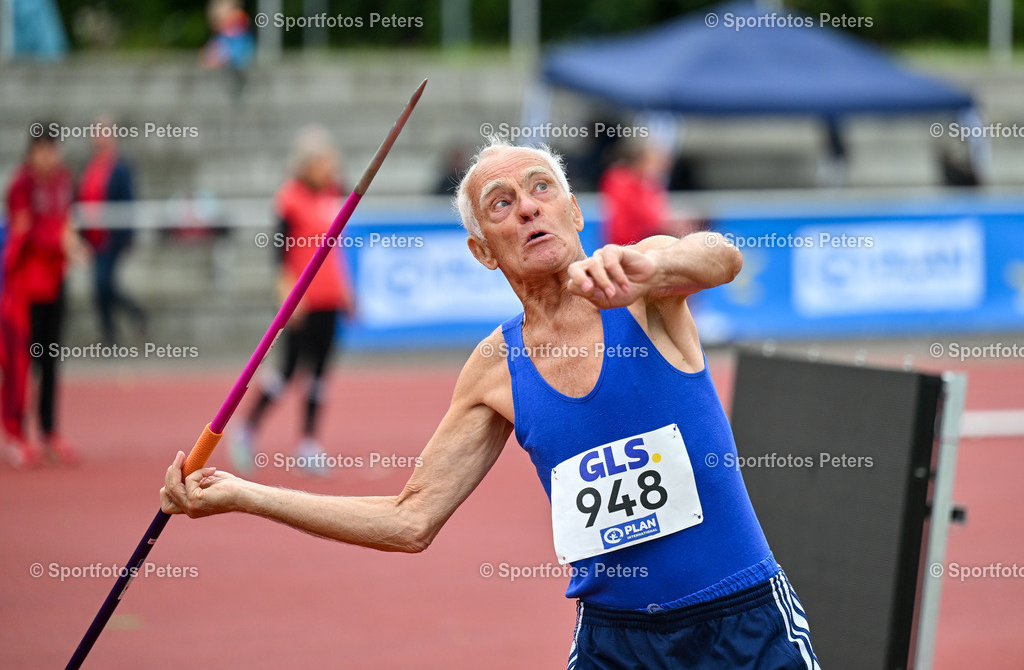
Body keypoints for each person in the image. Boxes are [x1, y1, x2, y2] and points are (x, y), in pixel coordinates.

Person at [162, 140, 819, 668]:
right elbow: (409, 517)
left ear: (574, 211)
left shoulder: (640, 282)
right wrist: (243, 494)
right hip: (616, 645)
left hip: (741, 627)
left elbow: (719, 257)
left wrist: (655, 267)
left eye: (542, 188)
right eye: (501, 204)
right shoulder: (494, 368)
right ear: (481, 250)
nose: (529, 208)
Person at [228, 126, 354, 476]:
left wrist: (346, 291)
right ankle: (246, 430)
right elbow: (279, 253)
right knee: (286, 372)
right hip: (301, 300)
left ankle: (309, 444)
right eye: (324, 161)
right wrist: (287, 296)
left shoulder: (332, 193)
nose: (331, 167)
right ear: (307, 163)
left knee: (320, 374)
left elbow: (334, 249)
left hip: (330, 298)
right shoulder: (289, 198)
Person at [1, 126, 83, 467]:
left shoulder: (63, 180)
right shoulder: (21, 185)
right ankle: (15, 433)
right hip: (25, 287)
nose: (49, 156)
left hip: (54, 283)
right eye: (43, 149)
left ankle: (49, 430)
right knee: (20, 363)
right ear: (32, 152)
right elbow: (26, 232)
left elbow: (65, 222)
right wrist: (60, 241)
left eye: (54, 149)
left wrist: (71, 242)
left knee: (50, 360)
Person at [78, 118, 147, 345]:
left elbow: (127, 202)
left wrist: (127, 236)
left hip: (112, 237)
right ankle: (112, 331)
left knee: (102, 283)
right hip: (93, 238)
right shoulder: (89, 167)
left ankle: (128, 318)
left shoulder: (121, 168)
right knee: (101, 286)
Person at [599, 139, 675, 247]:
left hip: (641, 243)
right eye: (654, 162)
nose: (658, 168)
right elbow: (651, 217)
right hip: (624, 244)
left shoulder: (648, 184)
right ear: (640, 161)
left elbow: (660, 214)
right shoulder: (620, 180)